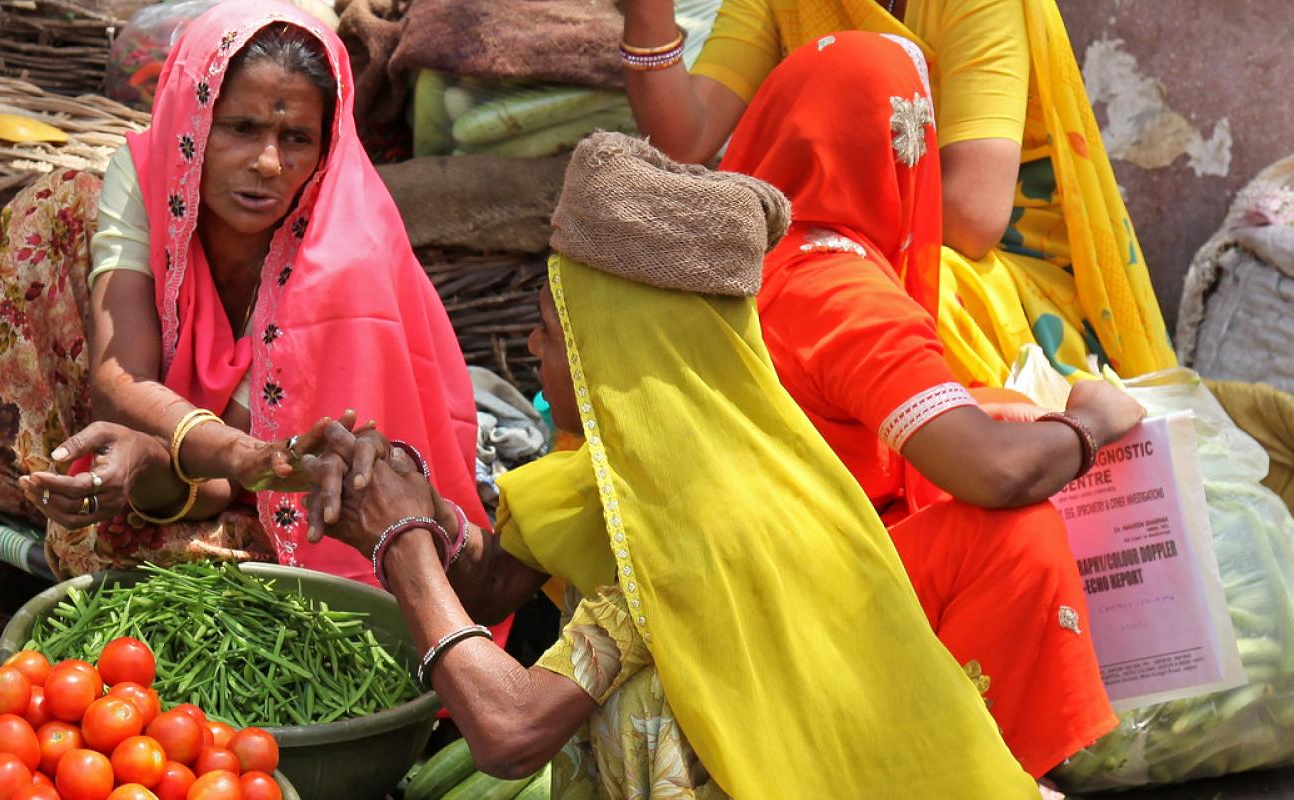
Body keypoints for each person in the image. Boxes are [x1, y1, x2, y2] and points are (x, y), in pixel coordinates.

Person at [290, 132, 1038, 798]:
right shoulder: (655, 474)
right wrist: (403, 507)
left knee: (638, 697)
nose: (533, 350)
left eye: (554, 332)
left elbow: (508, 733)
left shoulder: (698, 529)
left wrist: (405, 547)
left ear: (616, 357)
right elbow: (490, 587)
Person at [0, 0, 484, 583]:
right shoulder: (145, 180)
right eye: (239, 129)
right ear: (192, 121)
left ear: (328, 147)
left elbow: (257, 485)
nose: (268, 163)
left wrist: (170, 472)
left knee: (145, 559)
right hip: (204, 451)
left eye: (296, 137)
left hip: (292, 512)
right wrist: (206, 455)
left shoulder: (337, 261)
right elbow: (120, 377)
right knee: (59, 209)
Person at [718, 30, 1145, 779]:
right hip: (803, 609)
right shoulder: (841, 291)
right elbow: (992, 473)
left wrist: (989, 409)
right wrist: (1087, 428)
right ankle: (964, 774)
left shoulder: (755, 261)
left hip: (747, 578)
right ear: (903, 152)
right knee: (1017, 537)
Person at [613, 0, 1174, 386]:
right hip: (841, 235)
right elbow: (683, 141)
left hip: (996, 262)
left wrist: (821, 250)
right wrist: (648, 13)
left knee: (863, 308)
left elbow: (971, 218)